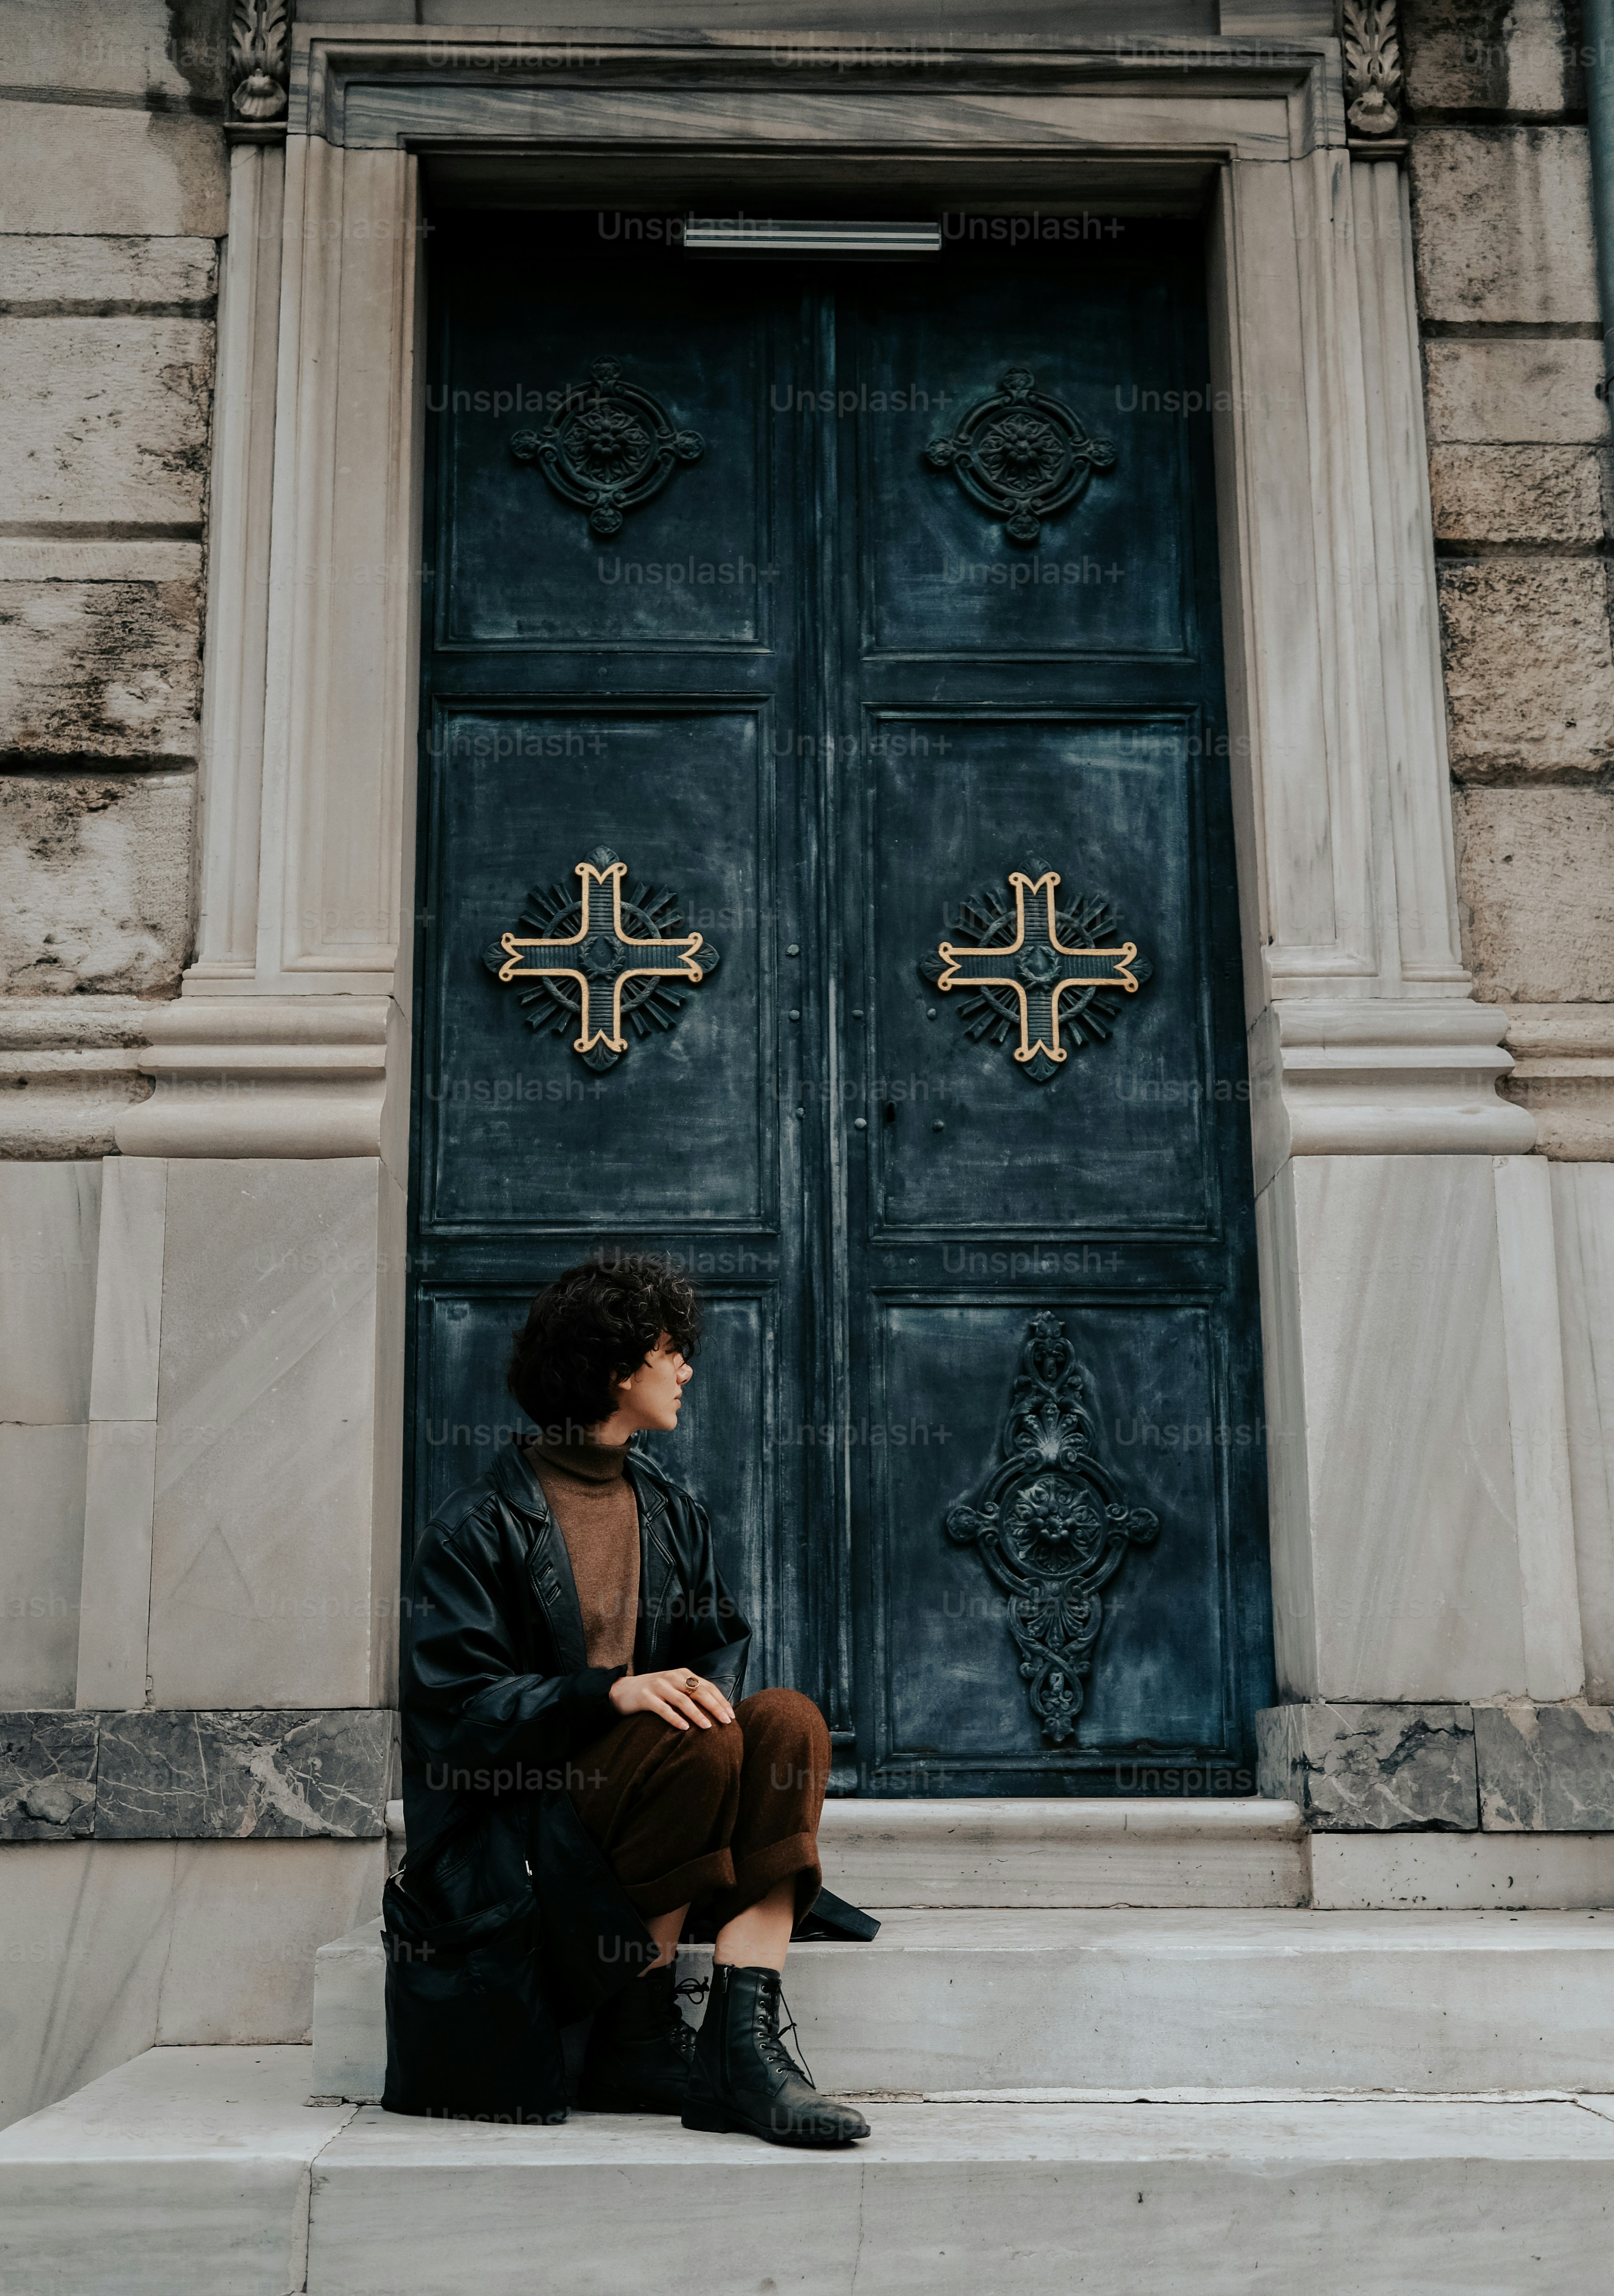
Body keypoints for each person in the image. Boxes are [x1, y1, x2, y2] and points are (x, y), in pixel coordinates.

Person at [383, 1251, 869, 2148]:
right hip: (532, 1828)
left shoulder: (671, 1508)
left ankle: (742, 2038)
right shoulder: (475, 1527)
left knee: (788, 1722)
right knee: (691, 1736)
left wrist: (682, 1703)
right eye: (669, 1351)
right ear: (614, 1371)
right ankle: (639, 2030)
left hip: (659, 1801)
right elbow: (460, 1715)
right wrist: (610, 1693)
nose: (685, 1368)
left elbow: (713, 1652)